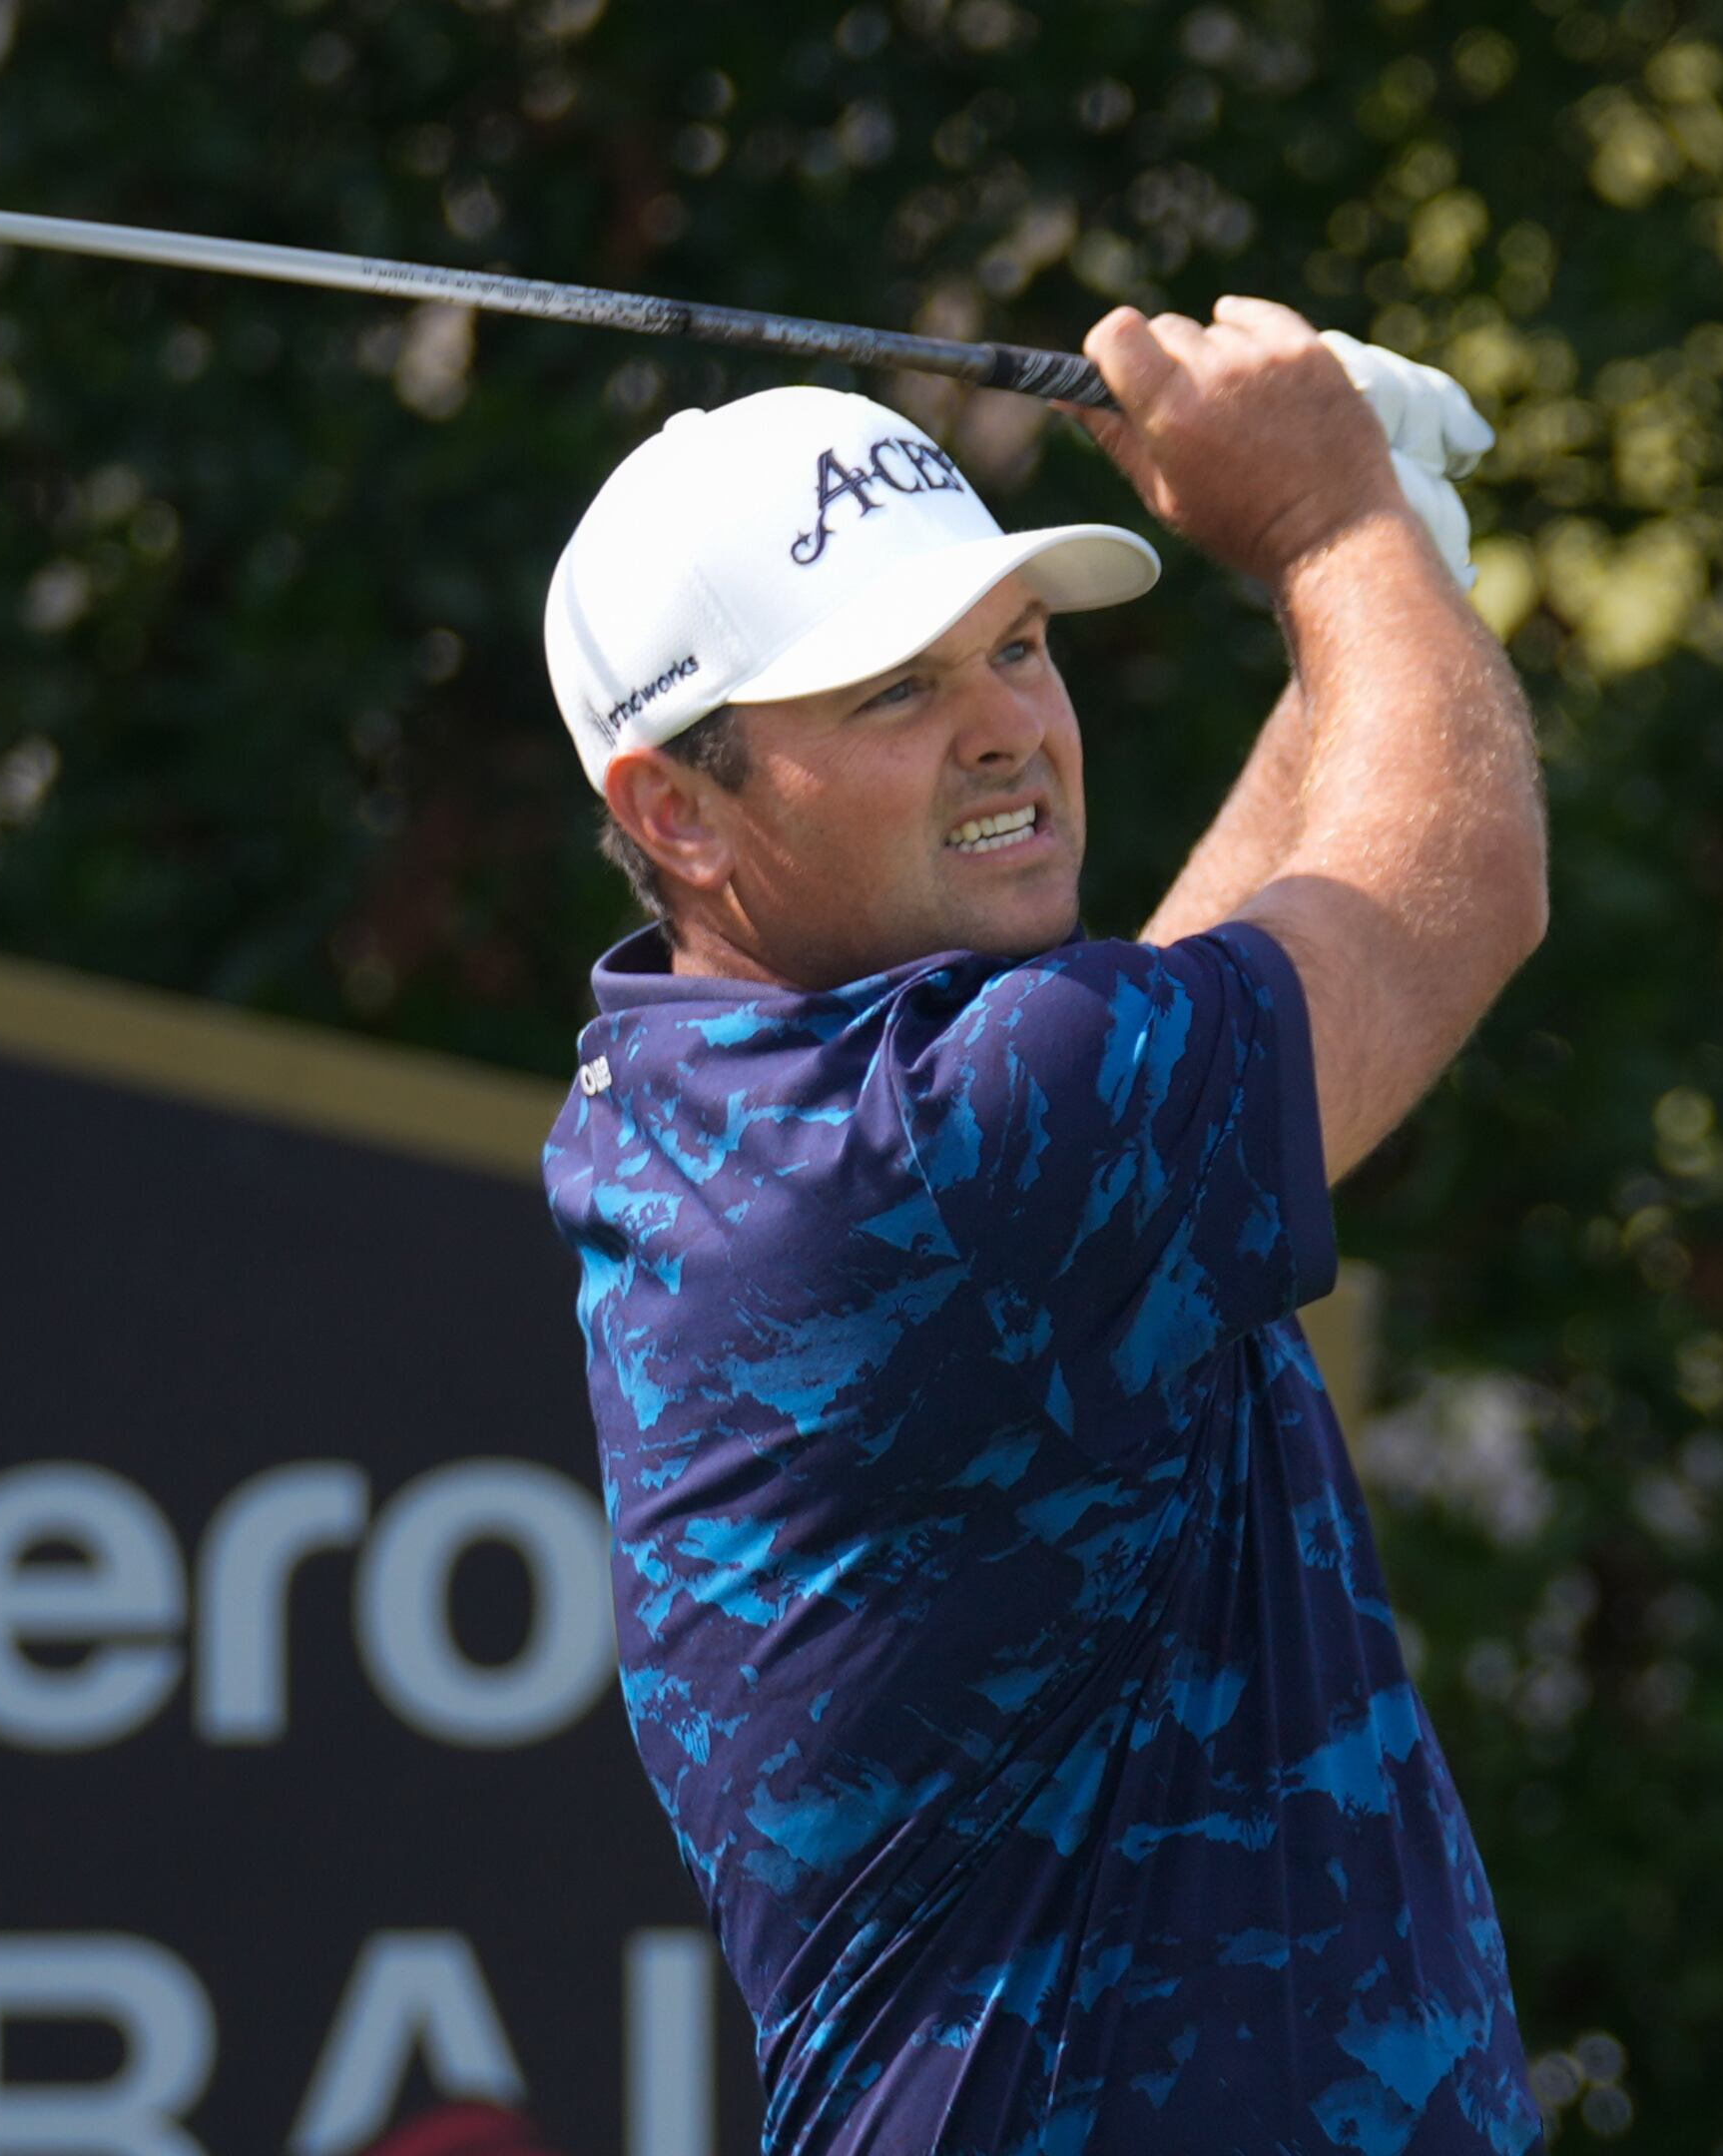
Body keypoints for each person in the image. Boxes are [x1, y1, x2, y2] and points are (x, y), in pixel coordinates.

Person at [538, 296, 1547, 2154]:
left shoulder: (738, 1103)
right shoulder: (938, 1152)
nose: (1009, 728)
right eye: (896, 690)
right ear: (676, 809)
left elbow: (1174, 1030)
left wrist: (1369, 611)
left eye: (1016, 648)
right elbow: (1453, 887)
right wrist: (1334, 535)